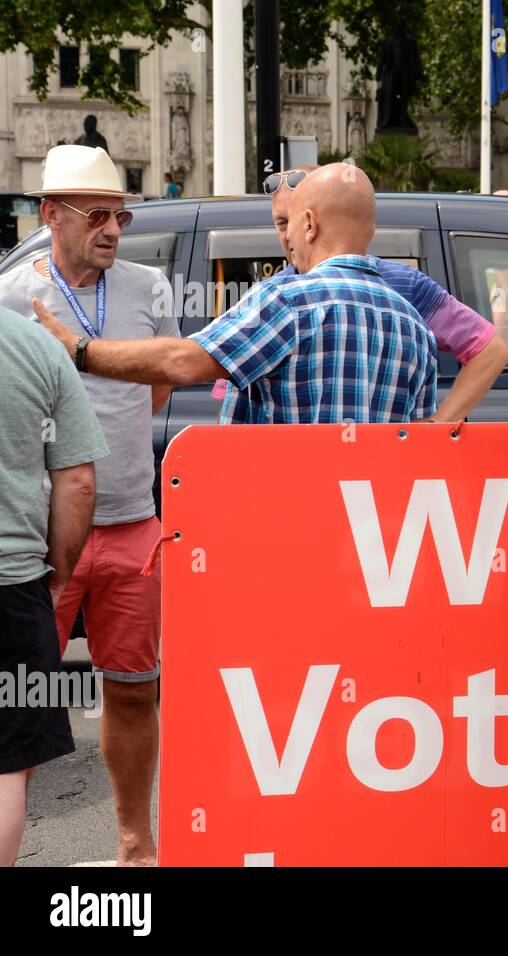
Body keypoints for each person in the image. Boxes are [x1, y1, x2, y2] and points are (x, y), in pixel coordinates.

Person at [0, 144, 177, 866]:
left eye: (121, 215)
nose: (113, 228)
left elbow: (158, 392)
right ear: (51, 216)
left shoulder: (150, 287)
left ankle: (136, 845)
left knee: (134, 694)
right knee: (25, 706)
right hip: (44, 542)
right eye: (97, 214)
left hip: (133, 524)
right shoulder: (10, 296)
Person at [34, 164, 441, 426]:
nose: (285, 237)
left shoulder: (286, 304)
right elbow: (419, 444)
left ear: (311, 224)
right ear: (368, 232)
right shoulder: (414, 325)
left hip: (284, 527)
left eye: (289, 223)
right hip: (370, 540)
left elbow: (179, 363)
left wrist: (78, 350)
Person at [261, 165, 508, 421]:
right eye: (281, 223)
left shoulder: (402, 283)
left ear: (314, 219)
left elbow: (489, 348)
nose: (289, 233)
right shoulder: (270, 296)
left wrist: (439, 423)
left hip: (388, 457)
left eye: (295, 219)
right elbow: (233, 392)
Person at [0, 307, 107, 866]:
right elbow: (78, 481)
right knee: (6, 761)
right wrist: (57, 576)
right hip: (13, 583)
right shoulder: (35, 347)